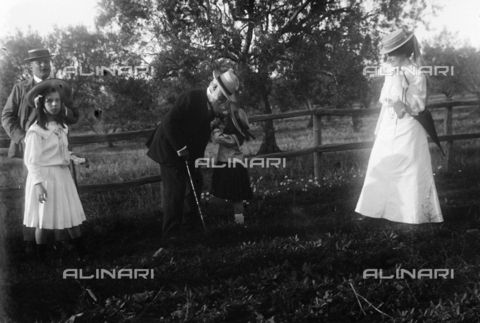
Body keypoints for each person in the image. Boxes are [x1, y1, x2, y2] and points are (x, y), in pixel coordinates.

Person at [355, 29, 443, 224]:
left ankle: (412, 214)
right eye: (387, 53)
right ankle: (375, 210)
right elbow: (386, 99)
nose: (388, 57)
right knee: (382, 162)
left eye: (392, 53)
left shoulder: (416, 73)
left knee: (409, 167)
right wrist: (392, 93)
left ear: (404, 51)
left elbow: (416, 105)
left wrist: (401, 94)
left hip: (408, 125)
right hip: (389, 123)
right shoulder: (390, 71)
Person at [146, 69, 240, 239]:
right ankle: (170, 235)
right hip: (169, 148)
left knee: (196, 183)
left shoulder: (212, 105)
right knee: (175, 191)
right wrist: (180, 148)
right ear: (213, 85)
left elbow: (200, 134)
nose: (224, 98)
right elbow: (169, 123)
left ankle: (192, 227)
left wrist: (196, 159)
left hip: (187, 152)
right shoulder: (190, 97)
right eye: (222, 93)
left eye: (227, 95)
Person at [2, 49, 80, 254]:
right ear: (31, 65)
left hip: (55, 151)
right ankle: (32, 242)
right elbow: (7, 116)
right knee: (34, 195)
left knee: (60, 193)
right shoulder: (20, 88)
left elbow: (74, 115)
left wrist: (61, 107)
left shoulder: (60, 87)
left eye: (46, 61)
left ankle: (62, 237)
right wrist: (22, 139)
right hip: (33, 150)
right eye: (39, 62)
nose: (43, 65)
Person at [23, 79, 87, 261]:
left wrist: (76, 159)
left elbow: (62, 152)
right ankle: (41, 258)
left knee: (71, 215)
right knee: (42, 220)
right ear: (41, 104)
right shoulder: (36, 131)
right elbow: (32, 161)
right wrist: (38, 185)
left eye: (57, 101)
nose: (54, 104)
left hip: (62, 177)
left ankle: (82, 252)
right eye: (49, 101)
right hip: (44, 178)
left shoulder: (62, 127)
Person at [210, 102, 254, 224]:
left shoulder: (234, 137)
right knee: (234, 195)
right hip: (231, 166)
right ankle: (239, 217)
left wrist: (215, 127)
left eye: (229, 120)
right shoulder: (238, 134)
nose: (226, 122)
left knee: (236, 196)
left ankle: (239, 221)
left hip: (231, 168)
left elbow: (219, 138)